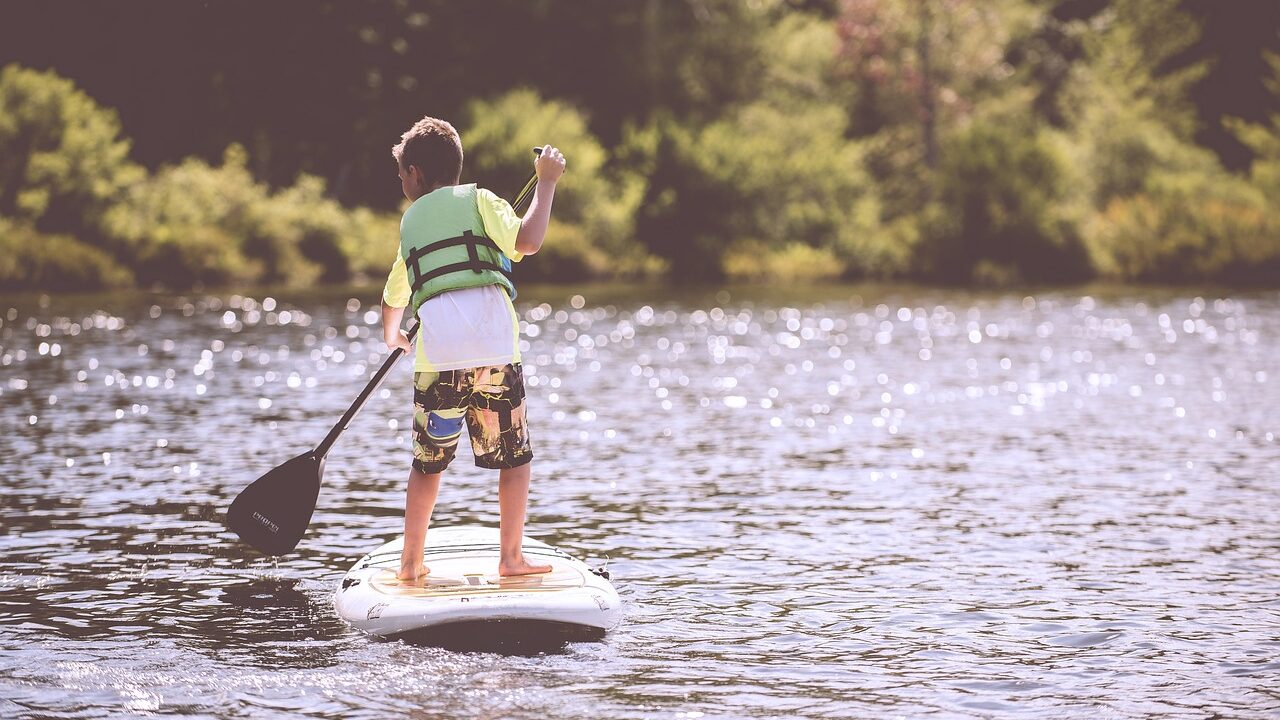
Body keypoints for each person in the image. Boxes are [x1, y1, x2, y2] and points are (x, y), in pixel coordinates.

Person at [380, 116, 565, 581]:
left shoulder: (410, 223)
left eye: (402, 173)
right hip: (496, 356)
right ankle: (511, 559)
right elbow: (529, 240)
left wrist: (393, 336)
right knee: (515, 458)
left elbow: (394, 296)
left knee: (427, 465)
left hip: (438, 361)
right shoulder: (482, 200)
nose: (401, 181)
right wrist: (545, 186)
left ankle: (410, 563)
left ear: (417, 174)